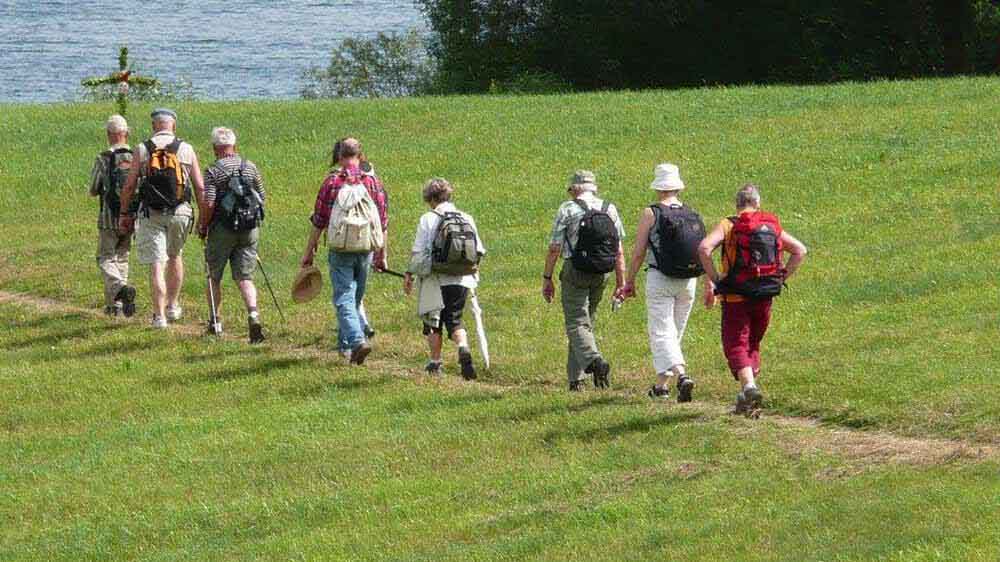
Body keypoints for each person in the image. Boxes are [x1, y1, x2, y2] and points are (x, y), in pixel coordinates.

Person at [697, 184, 807, 413]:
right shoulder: (770, 225)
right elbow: (800, 250)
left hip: (736, 295)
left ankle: (749, 387)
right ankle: (746, 397)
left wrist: (716, 278)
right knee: (752, 343)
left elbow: (704, 248)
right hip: (765, 294)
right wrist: (781, 276)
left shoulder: (729, 224)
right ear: (757, 203)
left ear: (737, 204)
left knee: (736, 342)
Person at [617, 163, 708, 402]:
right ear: (677, 187)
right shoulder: (692, 213)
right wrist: (710, 282)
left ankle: (682, 375)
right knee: (673, 332)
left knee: (661, 332)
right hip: (689, 280)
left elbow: (638, 252)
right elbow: (704, 249)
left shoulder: (652, 213)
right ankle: (660, 387)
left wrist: (630, 280)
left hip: (661, 278)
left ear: (658, 188)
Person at [300, 137, 389, 365]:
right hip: (366, 246)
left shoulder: (332, 182)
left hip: (341, 248)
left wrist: (309, 251)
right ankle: (346, 347)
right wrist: (382, 255)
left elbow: (319, 220)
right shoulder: (372, 182)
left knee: (344, 297)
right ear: (361, 155)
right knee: (355, 296)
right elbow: (382, 221)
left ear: (339, 156)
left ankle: (356, 341)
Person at [118, 108, 205, 329]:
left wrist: (124, 213)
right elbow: (200, 187)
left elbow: (129, 186)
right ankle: (173, 306)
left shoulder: (142, 149)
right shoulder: (186, 149)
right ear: (173, 126)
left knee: (157, 264)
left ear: (154, 126)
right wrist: (204, 218)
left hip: (151, 214)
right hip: (180, 212)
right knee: (175, 256)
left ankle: (159, 317)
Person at [542, 170, 625, 391]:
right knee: (585, 323)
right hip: (603, 272)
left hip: (575, 270)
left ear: (575, 189)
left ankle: (595, 362)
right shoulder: (609, 209)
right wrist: (621, 281)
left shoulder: (568, 209)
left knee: (576, 322)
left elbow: (554, 248)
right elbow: (618, 250)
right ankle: (575, 380)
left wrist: (547, 277)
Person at [403, 178, 485, 379]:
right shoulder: (466, 217)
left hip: (436, 279)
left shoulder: (428, 219)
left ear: (430, 199)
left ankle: (435, 362)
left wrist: (409, 274)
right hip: (462, 279)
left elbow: (419, 252)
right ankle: (463, 347)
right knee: (455, 320)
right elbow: (479, 251)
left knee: (433, 321)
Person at [197, 127, 266, 343]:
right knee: (245, 277)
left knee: (213, 276)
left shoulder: (213, 171)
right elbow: (262, 196)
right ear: (234, 147)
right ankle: (253, 315)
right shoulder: (250, 167)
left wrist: (202, 225)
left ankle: (215, 322)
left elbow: (209, 202)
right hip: (249, 228)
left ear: (215, 148)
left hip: (222, 230)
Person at [88, 114, 137, 318]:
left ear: (109, 134)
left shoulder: (103, 157)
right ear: (126, 133)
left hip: (108, 217)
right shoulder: (137, 155)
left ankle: (119, 290)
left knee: (105, 257)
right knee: (122, 257)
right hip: (131, 216)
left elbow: (93, 189)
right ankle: (116, 306)